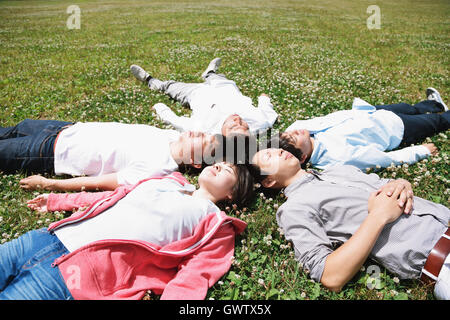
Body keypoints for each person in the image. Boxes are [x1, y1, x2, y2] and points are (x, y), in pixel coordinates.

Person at [0, 162, 255, 300]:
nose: (219, 166)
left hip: (72, 275)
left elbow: (195, 276)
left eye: (228, 169)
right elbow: (113, 197)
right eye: (220, 162)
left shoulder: (216, 225)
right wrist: (58, 202)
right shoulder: (168, 181)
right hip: (46, 238)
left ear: (232, 193)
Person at [249, 146, 450, 299]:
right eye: (269, 155)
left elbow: (387, 184)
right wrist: (378, 216)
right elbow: (329, 276)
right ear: (268, 182)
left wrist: (401, 183)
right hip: (442, 261)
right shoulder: (293, 208)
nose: (279, 151)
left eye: (276, 148)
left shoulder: (338, 170)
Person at [0, 119, 223, 191]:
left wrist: (48, 183)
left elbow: (98, 182)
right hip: (64, 127)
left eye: (204, 141)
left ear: (194, 162)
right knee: (10, 130)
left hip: (48, 151)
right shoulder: (172, 134)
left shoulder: (156, 169)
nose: (202, 133)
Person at [272, 88, 449, 170]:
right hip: (395, 130)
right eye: (294, 138)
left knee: (410, 107)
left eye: (288, 133)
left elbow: (292, 132)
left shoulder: (301, 131)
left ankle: (433, 103)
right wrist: (419, 151)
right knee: (435, 121)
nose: (294, 132)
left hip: (372, 112)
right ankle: (441, 114)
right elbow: (384, 160)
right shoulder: (337, 157)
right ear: (302, 157)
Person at [130, 58, 278, 136]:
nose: (237, 120)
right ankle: (210, 73)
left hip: (196, 93)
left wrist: (159, 107)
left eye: (233, 126)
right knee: (217, 77)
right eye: (243, 126)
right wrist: (264, 99)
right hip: (223, 87)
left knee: (170, 87)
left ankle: (150, 81)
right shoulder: (260, 123)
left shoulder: (203, 128)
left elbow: (176, 121)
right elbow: (268, 112)